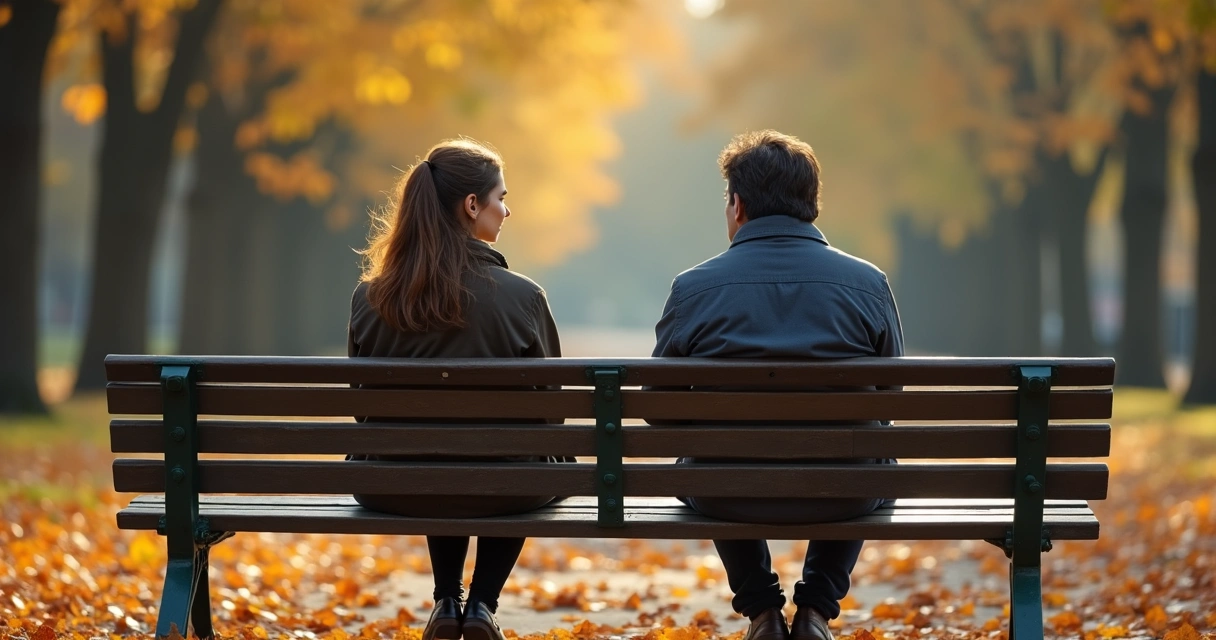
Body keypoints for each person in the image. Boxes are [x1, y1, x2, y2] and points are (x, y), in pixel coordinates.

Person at [651, 130, 904, 640]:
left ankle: (763, 610)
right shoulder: (868, 284)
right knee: (876, 460)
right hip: (844, 491)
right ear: (811, 204)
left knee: (702, 462)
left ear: (737, 204)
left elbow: (658, 410)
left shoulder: (693, 288)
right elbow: (890, 398)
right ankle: (815, 609)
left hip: (727, 491)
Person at [348, 138, 562, 640]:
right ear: (472, 206)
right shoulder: (523, 297)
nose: (507, 211)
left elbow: (361, 408)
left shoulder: (369, 296)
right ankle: (482, 605)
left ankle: (447, 600)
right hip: (506, 490)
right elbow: (554, 415)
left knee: (435, 453)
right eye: (501, 198)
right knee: (525, 458)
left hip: (393, 485)